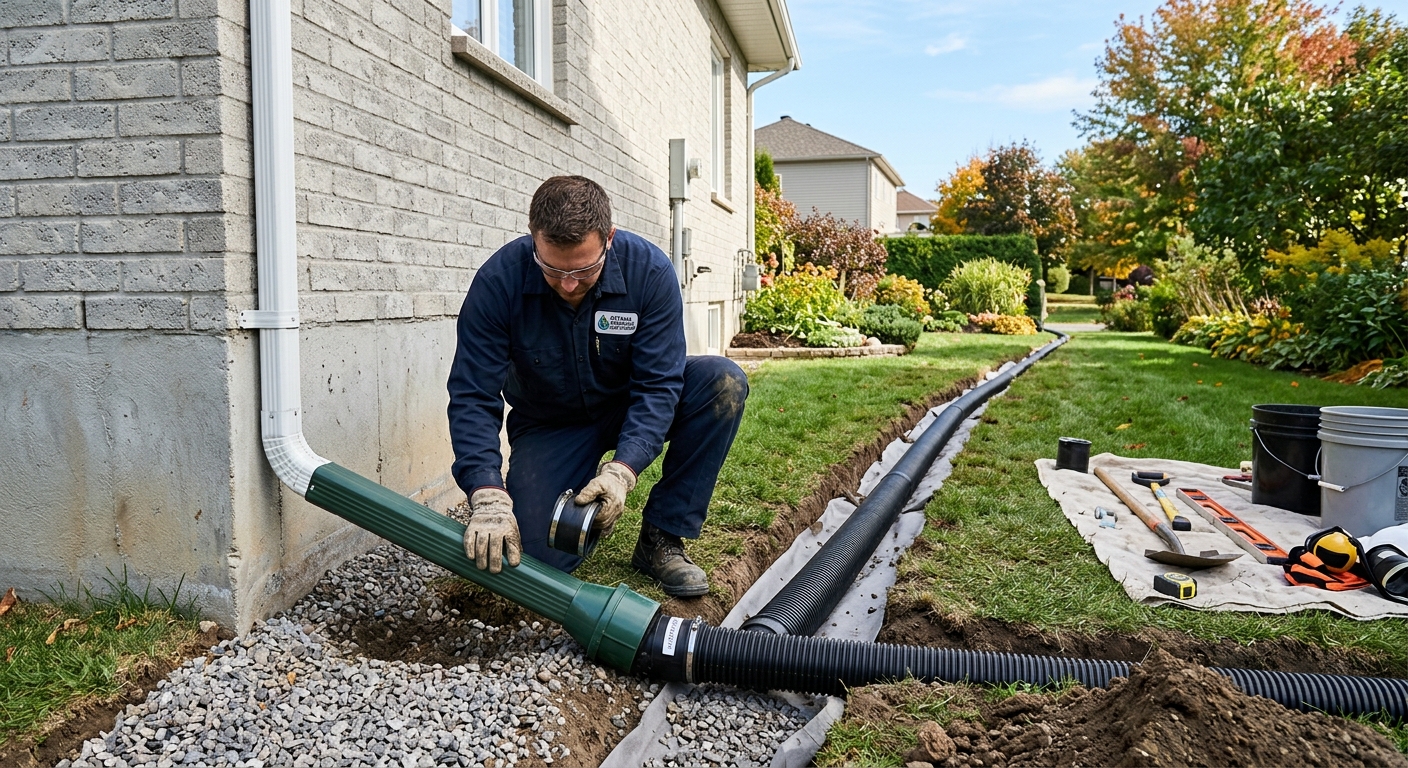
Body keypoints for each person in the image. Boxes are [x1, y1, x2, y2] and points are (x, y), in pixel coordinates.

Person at [446, 175, 749, 596]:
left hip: (628, 405)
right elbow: (472, 395)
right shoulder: (499, 283)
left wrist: (623, 471)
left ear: (609, 237)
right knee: (538, 557)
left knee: (722, 383)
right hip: (551, 422)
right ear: (534, 239)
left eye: (584, 269)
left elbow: (659, 384)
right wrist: (487, 493)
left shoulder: (650, 273)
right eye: (553, 269)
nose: (568, 283)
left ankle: (662, 537)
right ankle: (558, 496)